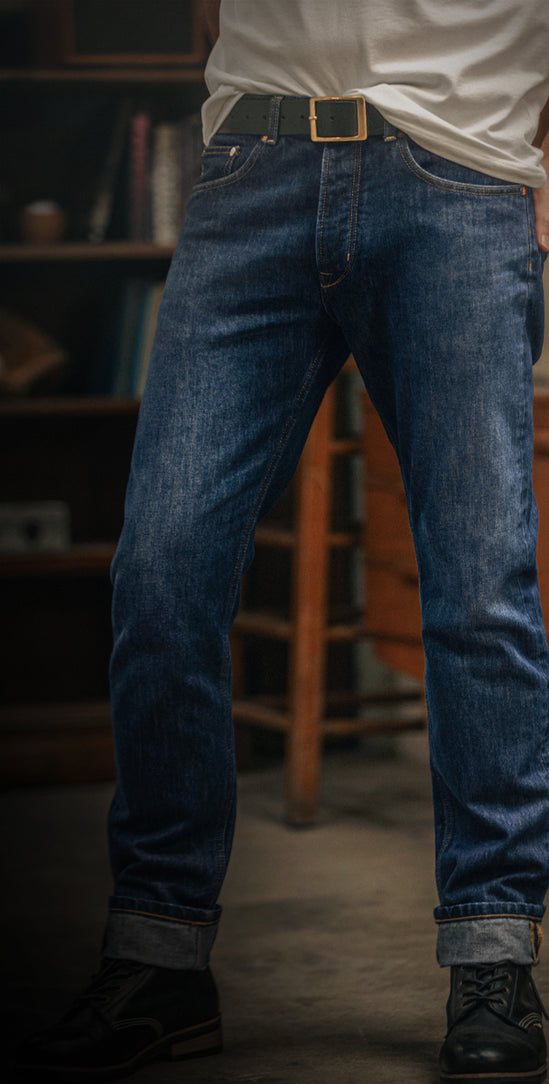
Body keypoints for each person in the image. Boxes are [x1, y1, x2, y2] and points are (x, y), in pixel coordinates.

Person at [15, 1, 549, 1081]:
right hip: (252, 168)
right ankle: (160, 960)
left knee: (478, 587)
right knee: (161, 571)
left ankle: (492, 951)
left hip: (459, 173)